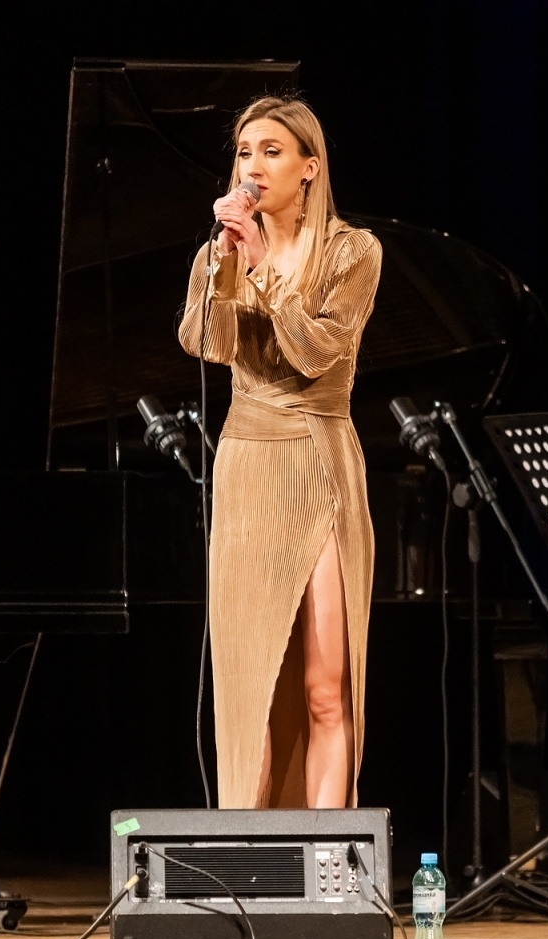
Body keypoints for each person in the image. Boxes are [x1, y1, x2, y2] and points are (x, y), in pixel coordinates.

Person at [177, 97, 382, 809]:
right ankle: (251, 864)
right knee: (250, 687)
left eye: (270, 150)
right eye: (243, 152)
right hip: (247, 462)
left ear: (309, 167)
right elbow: (207, 344)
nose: (253, 166)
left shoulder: (353, 251)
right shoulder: (222, 250)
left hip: (318, 460)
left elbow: (317, 353)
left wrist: (265, 269)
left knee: (324, 685)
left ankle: (330, 871)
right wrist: (226, 266)